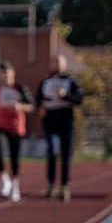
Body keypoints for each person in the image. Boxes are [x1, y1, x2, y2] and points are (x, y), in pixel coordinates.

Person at [0, 60, 33, 202]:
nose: (4, 76)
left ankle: (15, 184)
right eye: (2, 74)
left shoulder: (20, 88)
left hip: (16, 127)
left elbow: (31, 105)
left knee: (14, 157)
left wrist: (21, 106)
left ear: (12, 74)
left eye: (6, 73)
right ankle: (4, 177)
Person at [38, 54, 83, 202]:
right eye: (54, 62)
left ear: (64, 65)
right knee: (51, 152)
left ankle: (64, 187)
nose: (56, 65)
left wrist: (66, 95)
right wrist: (40, 108)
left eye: (59, 62)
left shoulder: (70, 82)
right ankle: (51, 184)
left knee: (65, 156)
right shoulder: (45, 82)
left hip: (66, 123)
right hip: (50, 122)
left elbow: (79, 99)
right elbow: (38, 100)